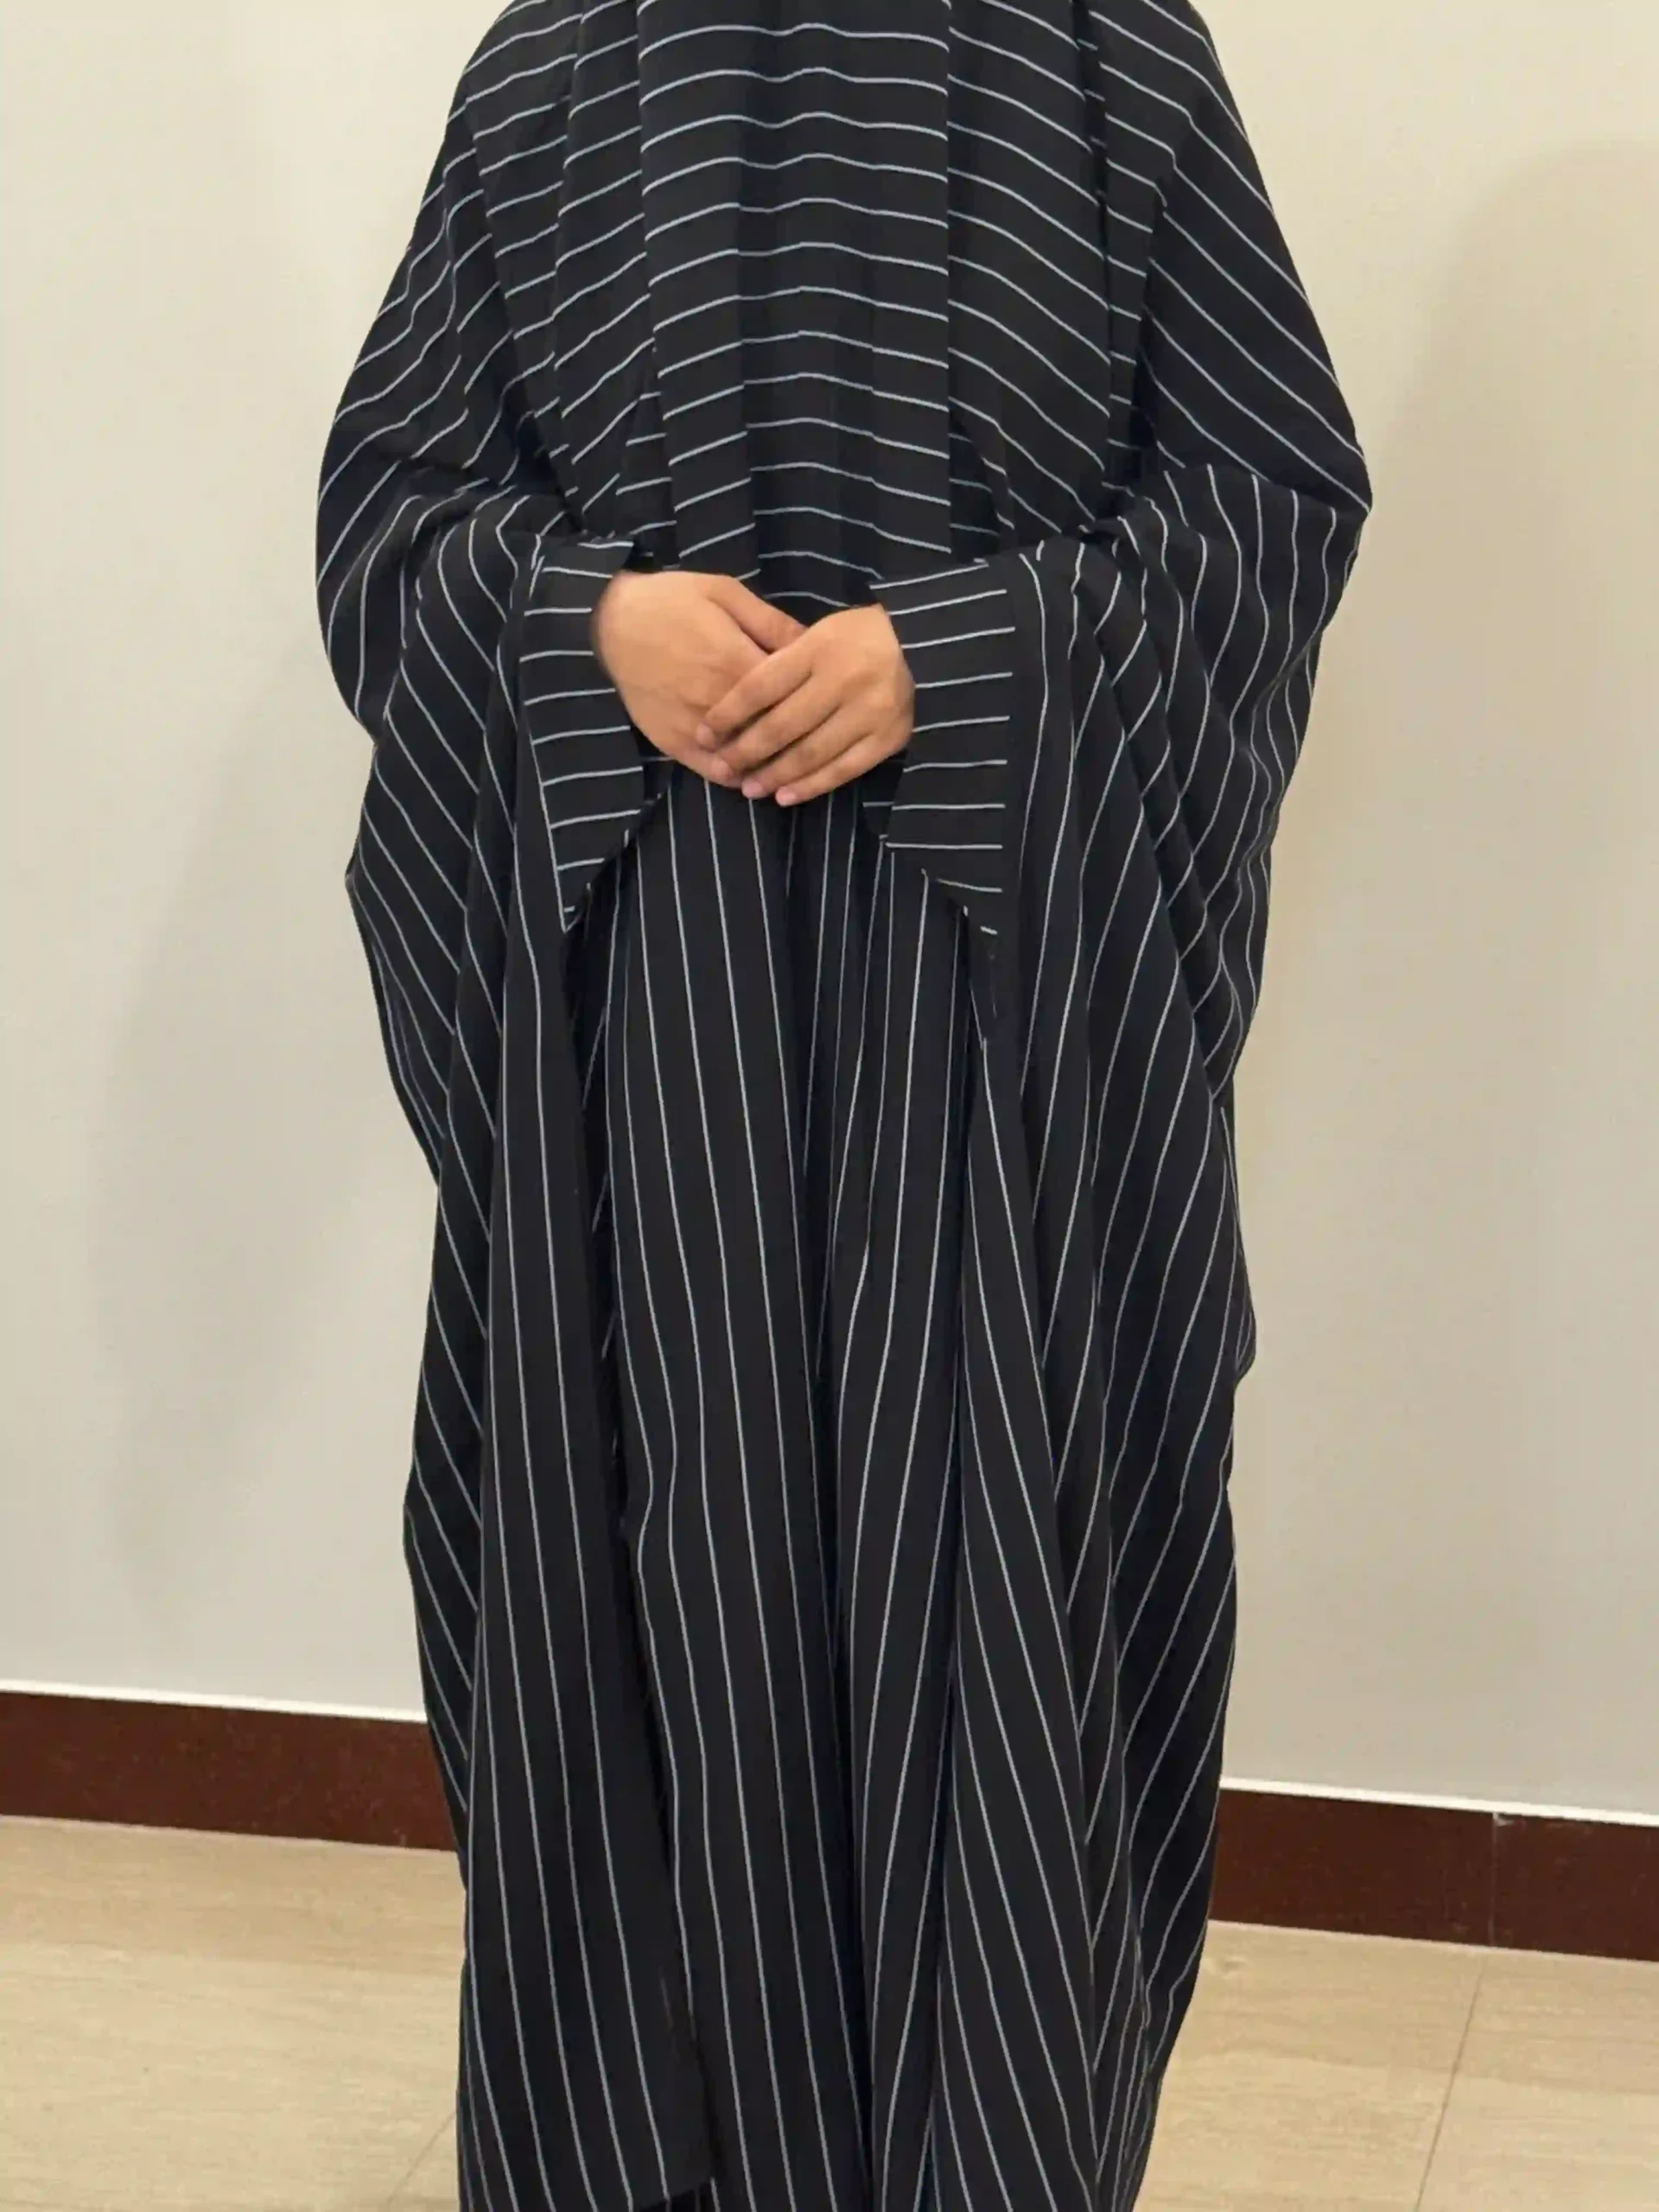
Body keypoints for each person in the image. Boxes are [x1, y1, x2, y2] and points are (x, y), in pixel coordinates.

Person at [315, 3, 1369, 2207]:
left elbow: (1270, 497)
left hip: (994, 1030)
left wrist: (965, 658)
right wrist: (583, 622)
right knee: (640, 1574)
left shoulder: (1108, 60)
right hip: (644, 1026)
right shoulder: (553, 66)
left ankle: (993, 2149)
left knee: (999, 1585)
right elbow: (390, 516)